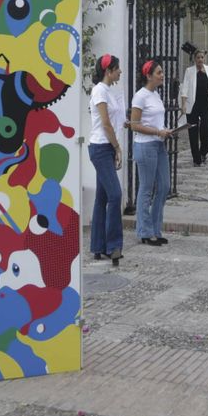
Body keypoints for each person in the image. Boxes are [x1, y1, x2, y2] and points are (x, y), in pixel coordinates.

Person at [129, 59, 174, 246]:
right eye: (158, 72)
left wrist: (165, 131)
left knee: (164, 186)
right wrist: (157, 132)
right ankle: (144, 232)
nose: (162, 75)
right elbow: (134, 125)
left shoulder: (156, 94)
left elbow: (156, 121)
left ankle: (156, 229)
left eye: (162, 72)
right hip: (145, 145)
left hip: (159, 144)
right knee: (146, 189)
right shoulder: (140, 96)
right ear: (148, 76)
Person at [86, 54, 126, 263]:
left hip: (106, 147)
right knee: (115, 195)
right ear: (108, 71)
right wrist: (117, 147)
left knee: (102, 197)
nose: (120, 71)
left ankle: (98, 246)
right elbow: (106, 123)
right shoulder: (99, 90)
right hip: (101, 147)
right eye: (117, 68)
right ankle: (113, 246)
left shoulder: (109, 91)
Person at [178, 49, 208, 166]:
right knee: (193, 132)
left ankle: (203, 152)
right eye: (198, 57)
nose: (200, 59)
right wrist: (183, 104)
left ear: (204, 59)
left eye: (202, 57)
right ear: (194, 59)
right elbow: (185, 88)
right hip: (193, 105)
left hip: (206, 104)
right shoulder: (189, 71)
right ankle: (196, 159)